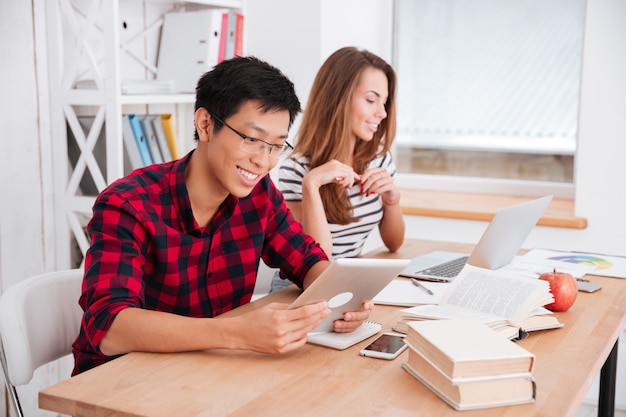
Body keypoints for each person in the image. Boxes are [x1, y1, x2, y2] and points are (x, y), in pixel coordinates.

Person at [72, 56, 373, 375]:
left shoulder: (258, 193)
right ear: (204, 124)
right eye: (253, 140)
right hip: (124, 380)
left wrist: (338, 300)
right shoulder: (128, 203)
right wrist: (239, 333)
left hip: (208, 372)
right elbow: (109, 328)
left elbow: (306, 259)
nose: (263, 161)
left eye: (276, 146)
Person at [270, 47, 405, 292]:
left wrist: (392, 199)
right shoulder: (297, 169)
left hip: (347, 283)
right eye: (371, 100)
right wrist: (311, 185)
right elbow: (316, 261)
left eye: (383, 103)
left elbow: (394, 244)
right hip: (300, 289)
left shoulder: (379, 160)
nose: (382, 113)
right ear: (339, 98)